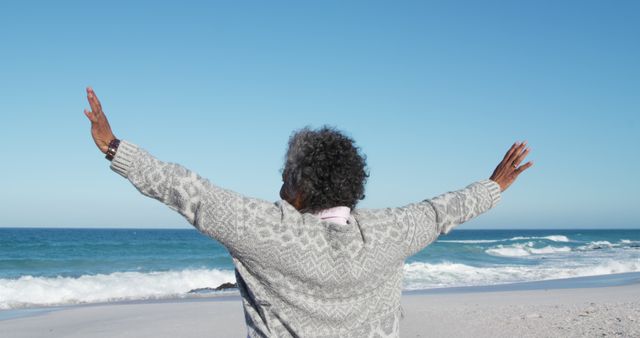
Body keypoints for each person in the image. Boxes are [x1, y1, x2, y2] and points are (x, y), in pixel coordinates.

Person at [83, 86, 533, 337]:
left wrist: (114, 147)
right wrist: (494, 186)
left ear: (300, 187)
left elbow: (188, 192)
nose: (279, 187)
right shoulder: (392, 231)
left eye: (284, 177)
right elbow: (444, 211)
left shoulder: (266, 231)